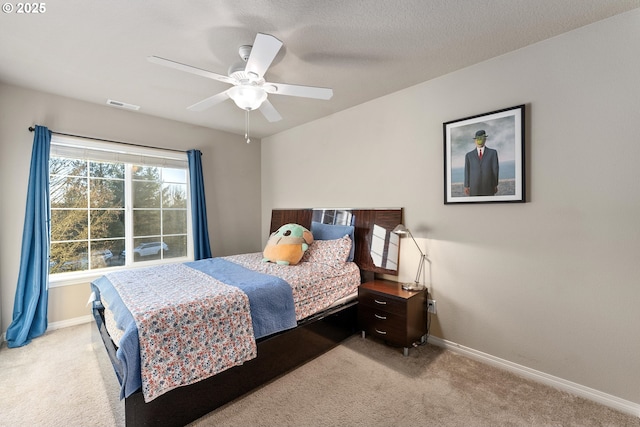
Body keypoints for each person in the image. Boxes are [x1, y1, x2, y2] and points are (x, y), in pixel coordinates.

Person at [464, 130, 499, 196]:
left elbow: (495, 170)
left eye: (481, 138)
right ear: (475, 140)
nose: (479, 141)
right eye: (477, 139)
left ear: (485, 139)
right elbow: (467, 171)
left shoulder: (493, 153)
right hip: (474, 188)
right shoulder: (469, 155)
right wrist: (466, 185)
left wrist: (495, 184)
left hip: (488, 187)